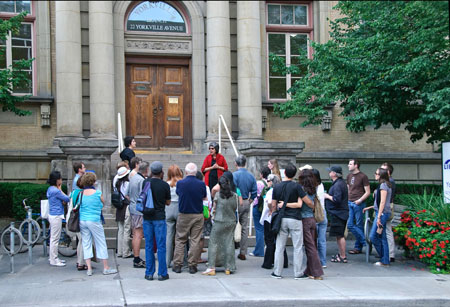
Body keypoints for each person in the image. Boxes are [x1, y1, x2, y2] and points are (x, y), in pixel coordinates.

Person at [270, 163, 313, 279]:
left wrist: (274, 213)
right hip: (295, 218)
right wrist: (314, 207)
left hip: (282, 218)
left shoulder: (277, 187)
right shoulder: (297, 187)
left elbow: (273, 205)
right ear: (294, 175)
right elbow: (307, 202)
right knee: (298, 246)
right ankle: (298, 273)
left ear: (284, 173)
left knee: (279, 246)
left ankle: (277, 272)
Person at [79, 172, 117, 276]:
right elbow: (102, 203)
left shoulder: (80, 193)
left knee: (86, 243)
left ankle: (89, 269)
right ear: (93, 181)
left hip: (82, 220)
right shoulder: (97, 193)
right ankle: (105, 267)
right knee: (101, 242)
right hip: (94, 220)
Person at [172, 162, 206, 274]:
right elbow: (204, 197)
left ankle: (177, 264)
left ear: (186, 172)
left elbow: (178, 193)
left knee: (180, 239)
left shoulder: (180, 183)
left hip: (184, 214)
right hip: (197, 213)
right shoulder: (201, 184)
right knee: (195, 240)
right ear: (195, 172)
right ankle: (192, 265)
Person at [202, 176, 238, 276]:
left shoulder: (218, 195)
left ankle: (211, 267)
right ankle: (228, 267)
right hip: (231, 221)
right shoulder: (234, 195)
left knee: (213, 243)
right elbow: (235, 207)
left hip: (219, 220)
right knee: (229, 243)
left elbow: (214, 208)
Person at [142, 161, 171, 281]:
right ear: (161, 171)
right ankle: (162, 273)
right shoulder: (164, 185)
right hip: (159, 216)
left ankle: (149, 272)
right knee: (161, 246)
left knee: (149, 245)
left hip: (147, 217)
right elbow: (168, 202)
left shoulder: (145, 182)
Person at [298, 168, 324, 280]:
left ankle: (317, 272)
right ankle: (309, 270)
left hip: (305, 220)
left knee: (310, 247)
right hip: (312, 219)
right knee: (313, 245)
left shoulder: (302, 190)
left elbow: (306, 203)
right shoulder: (313, 189)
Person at [364, 168, 392, 267]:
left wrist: (379, 217)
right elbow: (381, 202)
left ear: (381, 175)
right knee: (382, 237)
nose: (375, 175)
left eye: (376, 173)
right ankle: (385, 259)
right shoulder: (385, 185)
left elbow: (383, 202)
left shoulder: (383, 186)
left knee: (373, 236)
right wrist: (371, 207)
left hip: (382, 213)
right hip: (382, 212)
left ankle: (384, 258)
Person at [260, 174, 288, 270]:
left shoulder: (271, 191)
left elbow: (269, 202)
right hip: (280, 217)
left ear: (271, 181)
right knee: (280, 239)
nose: (267, 182)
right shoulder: (283, 190)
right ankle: (284, 261)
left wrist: (272, 209)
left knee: (269, 240)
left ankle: (268, 262)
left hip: (270, 217)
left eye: (268, 180)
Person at [233, 155, 257, 260]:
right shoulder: (251, 176)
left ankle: (232, 249)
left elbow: (232, 189)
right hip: (246, 200)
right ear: (245, 163)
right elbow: (255, 192)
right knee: (244, 228)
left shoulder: (234, 175)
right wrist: (249, 201)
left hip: (235, 201)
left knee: (232, 226)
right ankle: (243, 252)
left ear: (235, 164)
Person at [324, 166, 349, 263]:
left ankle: (343, 255)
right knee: (339, 235)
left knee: (340, 235)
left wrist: (327, 196)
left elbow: (337, 199)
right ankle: (341, 254)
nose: (329, 173)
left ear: (334, 173)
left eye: (330, 171)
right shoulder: (340, 183)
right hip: (340, 212)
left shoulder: (338, 185)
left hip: (339, 213)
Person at [127, 161, 149, 268]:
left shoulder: (133, 178)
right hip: (139, 210)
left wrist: (132, 201)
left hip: (132, 207)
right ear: (146, 170)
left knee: (136, 233)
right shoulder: (141, 180)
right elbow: (144, 195)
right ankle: (136, 258)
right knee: (138, 234)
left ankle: (136, 257)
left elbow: (127, 194)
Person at [47, 171, 70, 267]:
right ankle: (54, 259)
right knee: (55, 239)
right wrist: (60, 189)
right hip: (56, 215)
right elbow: (67, 198)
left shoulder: (50, 189)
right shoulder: (56, 191)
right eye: (60, 179)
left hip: (53, 214)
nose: (61, 180)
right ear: (57, 180)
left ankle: (53, 257)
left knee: (54, 238)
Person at [347, 159, 370, 254]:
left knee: (359, 225)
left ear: (356, 165)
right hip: (349, 202)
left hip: (358, 203)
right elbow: (348, 189)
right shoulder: (349, 176)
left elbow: (368, 192)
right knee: (350, 225)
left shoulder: (363, 176)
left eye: (350, 164)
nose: (348, 165)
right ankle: (365, 242)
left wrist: (359, 200)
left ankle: (358, 247)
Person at [250, 166, 271, 257]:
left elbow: (253, 193)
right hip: (267, 207)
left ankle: (259, 250)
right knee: (266, 228)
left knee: (258, 228)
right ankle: (266, 247)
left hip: (258, 206)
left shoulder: (258, 183)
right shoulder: (271, 183)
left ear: (261, 174)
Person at [166, 164, 183, 268]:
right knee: (180, 236)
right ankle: (181, 260)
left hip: (168, 208)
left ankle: (167, 261)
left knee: (169, 235)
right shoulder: (181, 183)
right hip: (179, 208)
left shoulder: (166, 184)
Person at [115, 166, 132, 259]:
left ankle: (120, 251)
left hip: (119, 208)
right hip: (126, 207)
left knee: (120, 230)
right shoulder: (127, 184)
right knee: (126, 229)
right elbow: (127, 196)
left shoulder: (117, 183)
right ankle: (126, 252)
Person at [71, 162, 86, 270]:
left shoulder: (75, 192)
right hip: (81, 218)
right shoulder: (81, 192)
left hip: (78, 218)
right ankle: (81, 262)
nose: (85, 168)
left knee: (80, 240)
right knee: (82, 240)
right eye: (83, 167)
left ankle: (80, 261)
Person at [195, 171, 212, 264]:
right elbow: (208, 201)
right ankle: (198, 257)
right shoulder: (205, 187)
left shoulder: (192, 187)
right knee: (201, 237)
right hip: (203, 213)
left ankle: (193, 256)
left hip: (192, 212)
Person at [312, 168, 327, 268]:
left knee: (313, 240)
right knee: (322, 240)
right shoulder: (321, 185)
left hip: (315, 214)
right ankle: (322, 261)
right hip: (322, 213)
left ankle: (315, 261)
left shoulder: (311, 187)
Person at [381, 162, 396, 262]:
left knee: (387, 230)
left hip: (387, 207)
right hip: (388, 206)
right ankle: (388, 253)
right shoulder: (389, 181)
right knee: (386, 230)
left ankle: (390, 254)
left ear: (388, 172)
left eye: (382, 169)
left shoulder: (389, 182)